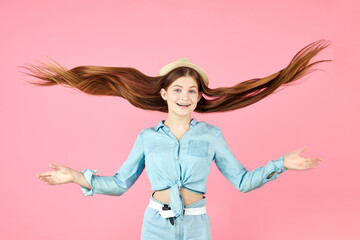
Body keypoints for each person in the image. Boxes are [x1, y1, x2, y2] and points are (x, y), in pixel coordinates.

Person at [23, 39, 329, 240]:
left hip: (197, 226)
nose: (185, 96)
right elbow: (119, 184)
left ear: (199, 96)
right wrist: (76, 177)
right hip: (155, 225)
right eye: (178, 89)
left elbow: (242, 180)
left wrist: (283, 164)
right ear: (164, 94)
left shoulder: (211, 136)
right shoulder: (146, 138)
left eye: (192, 90)